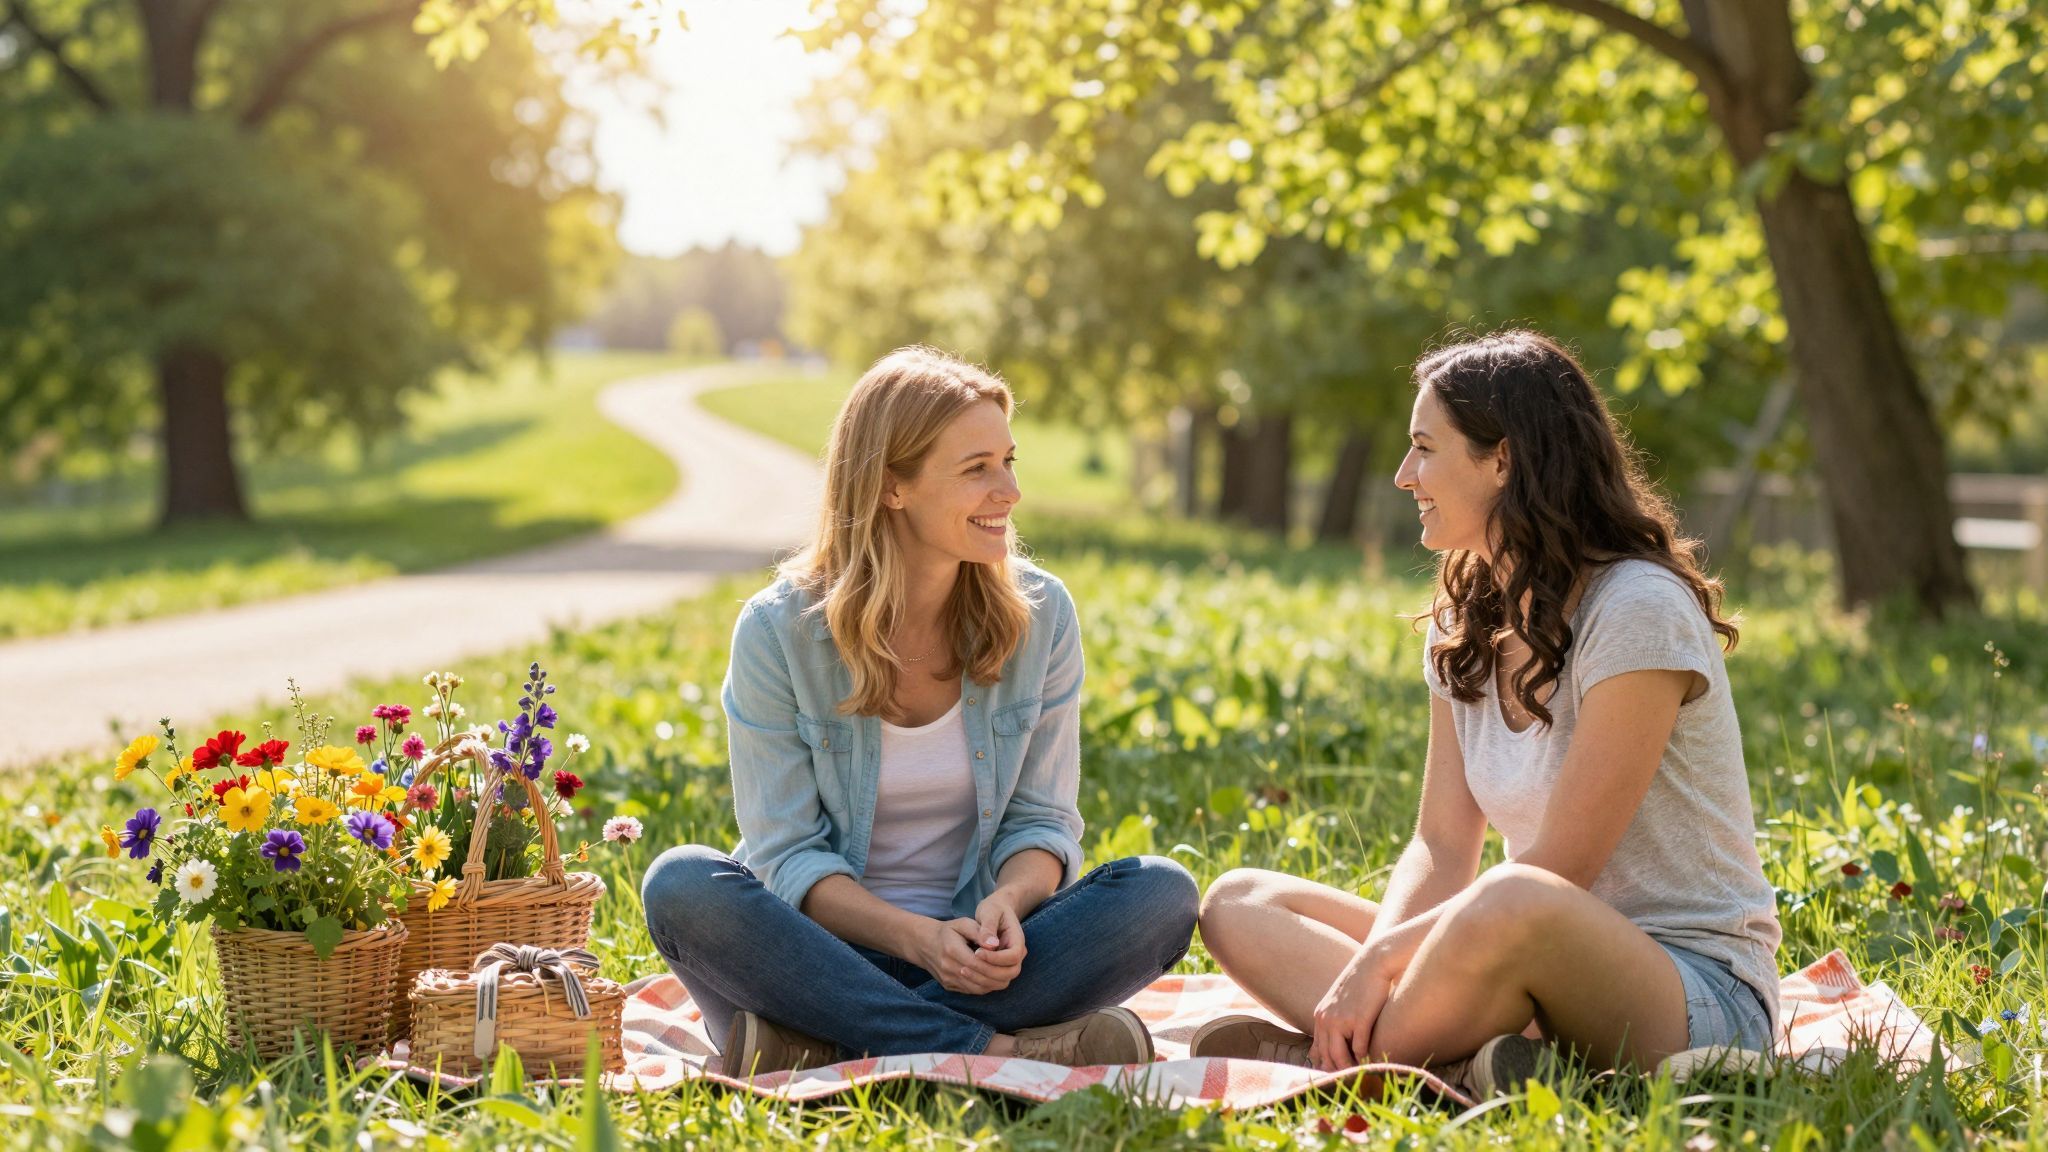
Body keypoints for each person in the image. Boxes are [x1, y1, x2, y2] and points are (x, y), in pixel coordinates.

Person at [1192, 330, 1780, 1096]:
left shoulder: (1638, 608)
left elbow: (1561, 870)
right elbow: (1441, 844)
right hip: (1512, 950)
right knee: (1237, 902)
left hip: (1689, 990)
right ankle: (1461, 1059)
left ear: (1502, 460)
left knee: (1515, 897)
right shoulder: (1465, 615)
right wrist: (1381, 973)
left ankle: (1330, 1064)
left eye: (1424, 449)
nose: (1404, 475)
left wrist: (1381, 964)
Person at [643, 346, 1198, 1076]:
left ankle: (827, 1045)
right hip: (816, 959)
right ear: (891, 486)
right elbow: (786, 855)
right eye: (977, 469)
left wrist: (1009, 901)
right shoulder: (778, 631)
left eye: (1008, 461)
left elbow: (1042, 821)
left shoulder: (1042, 615)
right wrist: (917, 940)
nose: (1010, 491)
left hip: (986, 961)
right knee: (681, 885)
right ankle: (991, 1050)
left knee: (1161, 892)